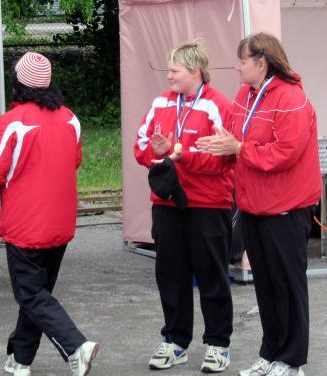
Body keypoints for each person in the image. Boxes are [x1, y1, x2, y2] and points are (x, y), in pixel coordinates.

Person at [196, 32, 321, 376]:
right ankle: (270, 354)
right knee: (265, 285)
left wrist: (237, 149)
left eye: (242, 61)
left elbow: (285, 153)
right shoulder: (245, 94)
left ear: (261, 63)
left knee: (288, 285)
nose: (236, 67)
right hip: (253, 205)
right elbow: (239, 138)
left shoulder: (291, 98)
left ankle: (293, 361)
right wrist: (224, 144)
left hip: (286, 207)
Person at [0, 51, 98, 376]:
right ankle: (20, 359)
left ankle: (76, 345)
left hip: (24, 224)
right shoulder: (70, 118)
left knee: (30, 294)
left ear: (18, 84)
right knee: (37, 295)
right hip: (60, 221)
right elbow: (74, 160)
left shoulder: (13, 122)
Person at [134, 40, 234, 373]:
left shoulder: (218, 105)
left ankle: (218, 345)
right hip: (166, 202)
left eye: (174, 71)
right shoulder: (161, 102)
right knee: (171, 275)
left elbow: (224, 158)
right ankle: (176, 342)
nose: (168, 77)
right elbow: (140, 147)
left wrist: (183, 157)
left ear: (194, 71)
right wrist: (161, 154)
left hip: (207, 203)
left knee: (212, 276)